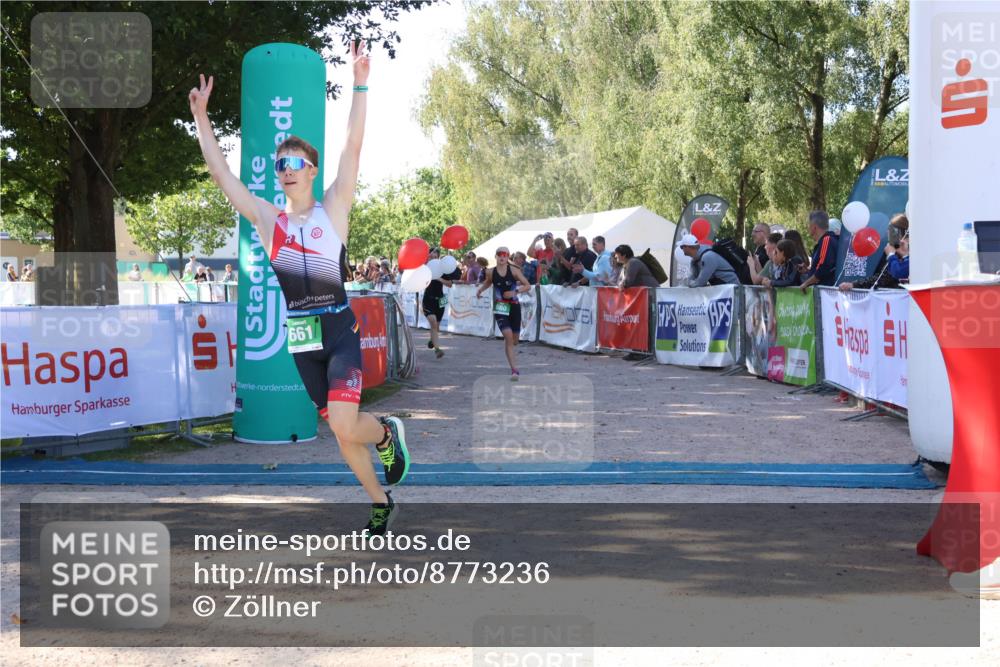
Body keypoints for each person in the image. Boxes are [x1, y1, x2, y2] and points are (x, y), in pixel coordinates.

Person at [189, 42, 408, 535]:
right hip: (301, 338)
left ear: (310, 170)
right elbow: (222, 175)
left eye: (294, 162)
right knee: (337, 428)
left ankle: (386, 433)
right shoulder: (268, 221)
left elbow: (353, 145)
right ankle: (380, 502)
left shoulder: (334, 208)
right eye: (279, 163)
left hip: (338, 329)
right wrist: (202, 118)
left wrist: (360, 83)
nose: (285, 168)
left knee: (349, 426)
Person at [477, 246, 532, 380]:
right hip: (500, 306)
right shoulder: (490, 272)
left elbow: (527, 285)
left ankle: (510, 351)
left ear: (508, 258)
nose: (502, 257)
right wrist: (480, 290)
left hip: (514, 307)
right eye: (499, 254)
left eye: (505, 255)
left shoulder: (514, 270)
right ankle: (514, 370)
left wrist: (515, 292)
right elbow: (488, 282)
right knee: (507, 337)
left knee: (514, 340)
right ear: (495, 256)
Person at [421, 248, 461, 358]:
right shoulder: (425, 269)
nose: (433, 258)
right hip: (428, 299)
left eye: (435, 256)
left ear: (438, 257)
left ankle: (432, 340)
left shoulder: (442, 269)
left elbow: (450, 284)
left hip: (440, 300)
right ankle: (437, 350)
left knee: (436, 327)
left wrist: (439, 279)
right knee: (433, 323)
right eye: (431, 256)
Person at [799, 210, 839, 292]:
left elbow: (823, 268)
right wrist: (808, 271)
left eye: (808, 225)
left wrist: (806, 283)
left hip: (825, 292)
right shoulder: (824, 242)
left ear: (814, 227)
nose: (807, 228)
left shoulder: (827, 240)